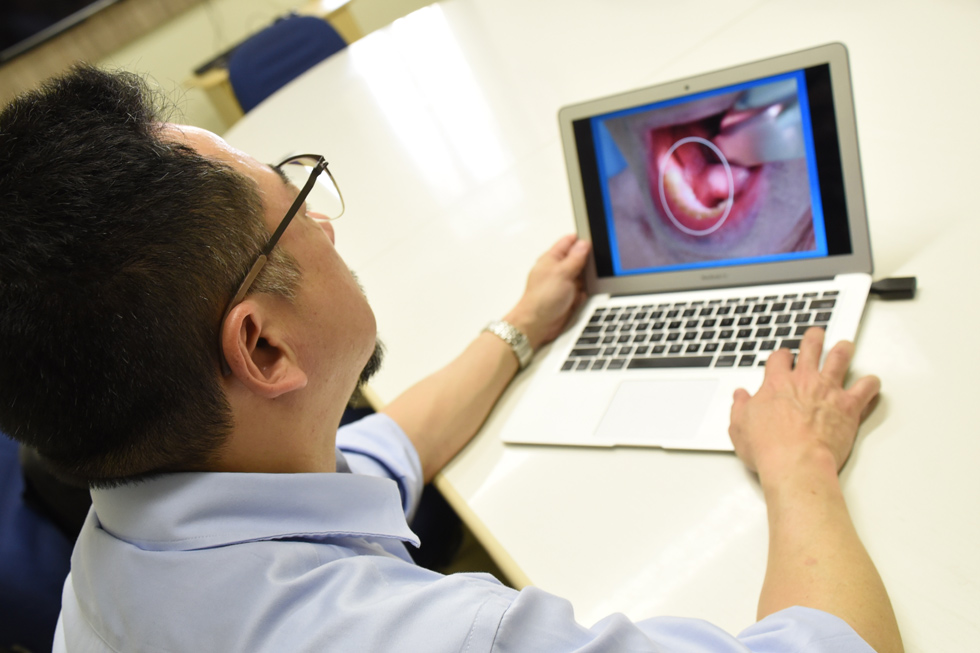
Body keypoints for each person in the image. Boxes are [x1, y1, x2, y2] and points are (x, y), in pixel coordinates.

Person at [0, 66, 902, 652]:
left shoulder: (130, 540)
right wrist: (800, 465)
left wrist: (521, 324)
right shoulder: (438, 636)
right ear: (263, 344)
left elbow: (389, 450)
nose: (323, 220)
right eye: (297, 194)